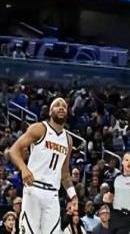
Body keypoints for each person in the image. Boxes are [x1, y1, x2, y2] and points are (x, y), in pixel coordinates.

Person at [9, 97, 78, 234]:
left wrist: (73, 195)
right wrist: (24, 169)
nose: (61, 107)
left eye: (64, 106)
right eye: (57, 105)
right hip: (34, 189)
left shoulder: (68, 139)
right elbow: (14, 150)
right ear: (50, 111)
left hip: (52, 194)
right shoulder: (39, 128)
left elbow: (65, 173)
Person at [104, 152, 130, 234]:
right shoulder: (116, 178)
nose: (129, 162)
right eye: (126, 160)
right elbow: (110, 197)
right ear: (123, 162)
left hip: (128, 216)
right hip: (114, 216)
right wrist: (107, 198)